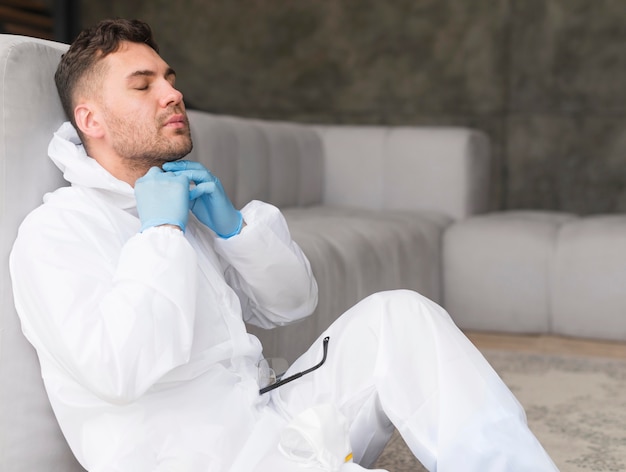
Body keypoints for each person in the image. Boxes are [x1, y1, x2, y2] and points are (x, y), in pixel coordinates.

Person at [10, 18, 558, 472]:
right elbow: (118, 371)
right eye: (143, 83)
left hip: (270, 419)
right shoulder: (58, 232)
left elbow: (291, 303)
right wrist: (160, 235)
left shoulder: (182, 205)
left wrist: (232, 230)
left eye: (170, 78)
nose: (173, 93)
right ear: (91, 119)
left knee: (401, 315)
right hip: (197, 458)